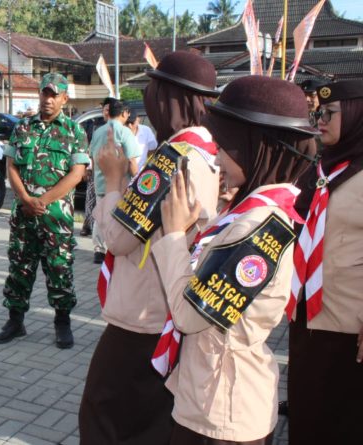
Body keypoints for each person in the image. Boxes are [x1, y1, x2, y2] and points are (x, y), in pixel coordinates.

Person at [155, 76, 317, 444]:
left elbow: (189, 315)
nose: (215, 158)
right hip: (217, 397)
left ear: (253, 147)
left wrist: (175, 234)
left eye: (223, 146)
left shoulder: (259, 227)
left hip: (220, 412)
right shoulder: (260, 208)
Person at [79, 51, 220, 444]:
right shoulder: (208, 151)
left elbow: (119, 237)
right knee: (152, 423)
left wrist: (112, 180)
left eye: (153, 91)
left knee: (103, 418)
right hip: (170, 314)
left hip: (141, 319)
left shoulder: (171, 159)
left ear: (168, 99)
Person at [288, 79, 363, 445]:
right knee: (307, 411)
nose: (320, 120)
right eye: (318, 112)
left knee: (340, 418)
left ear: (354, 114)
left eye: (329, 113)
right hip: (306, 315)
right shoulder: (323, 169)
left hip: (349, 326)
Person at [0, 72, 89, 349]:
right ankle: (15, 321)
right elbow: (11, 166)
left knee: (59, 269)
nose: (48, 99)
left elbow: (77, 173)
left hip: (55, 218)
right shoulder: (22, 128)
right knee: (19, 269)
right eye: (45, 93)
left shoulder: (74, 131)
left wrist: (42, 200)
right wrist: (24, 198)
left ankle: (62, 323)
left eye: (54, 94)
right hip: (24, 216)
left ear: (64, 98)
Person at [89, 99, 142, 264]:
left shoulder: (98, 131)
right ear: (125, 113)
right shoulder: (125, 132)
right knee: (117, 217)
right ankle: (113, 248)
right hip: (120, 185)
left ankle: (98, 249)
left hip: (99, 181)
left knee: (101, 216)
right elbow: (132, 161)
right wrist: (138, 181)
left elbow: (92, 156)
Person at [81, 97, 115, 238]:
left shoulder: (116, 129)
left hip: (111, 175)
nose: (105, 113)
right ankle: (87, 225)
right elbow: (89, 149)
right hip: (95, 170)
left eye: (107, 110)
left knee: (104, 207)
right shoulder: (95, 125)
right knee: (91, 201)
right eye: (104, 110)